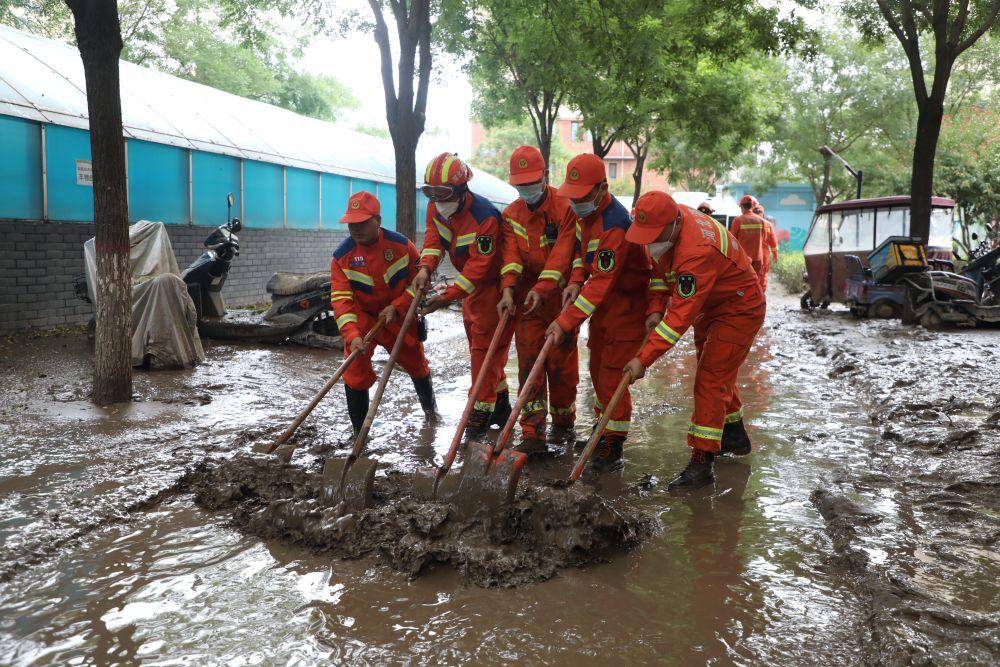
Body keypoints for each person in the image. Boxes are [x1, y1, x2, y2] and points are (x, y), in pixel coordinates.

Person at [622, 191, 765, 490]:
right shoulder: (669, 226)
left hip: (739, 307)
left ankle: (702, 463)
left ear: (673, 224)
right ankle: (734, 435)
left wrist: (642, 360)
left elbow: (677, 322)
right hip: (712, 303)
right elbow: (661, 275)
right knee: (717, 371)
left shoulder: (696, 250)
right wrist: (653, 310)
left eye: (653, 236)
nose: (650, 243)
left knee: (711, 378)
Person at [544, 153, 652, 472]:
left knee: (611, 376)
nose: (575, 201)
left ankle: (612, 447)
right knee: (597, 368)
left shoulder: (615, 225)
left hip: (628, 306)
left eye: (581, 195)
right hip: (607, 305)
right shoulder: (585, 218)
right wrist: (576, 280)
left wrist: (564, 322)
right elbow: (582, 257)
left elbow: (601, 284)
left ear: (601, 189)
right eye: (572, 195)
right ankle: (603, 430)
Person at [414, 152, 514, 435]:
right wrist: (425, 268)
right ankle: (502, 406)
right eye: (429, 193)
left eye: (442, 192)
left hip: (493, 291)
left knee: (483, 355)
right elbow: (434, 241)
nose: (436, 200)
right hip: (471, 293)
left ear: (460, 189)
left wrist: (447, 296)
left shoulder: (485, 218)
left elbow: (479, 269)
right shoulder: (437, 209)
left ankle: (478, 419)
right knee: (484, 354)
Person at [330, 190, 436, 435]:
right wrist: (352, 335)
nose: (354, 228)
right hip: (364, 318)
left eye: (361, 222)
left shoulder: (401, 246)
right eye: (351, 223)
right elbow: (341, 301)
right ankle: (359, 434)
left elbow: (420, 284)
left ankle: (431, 413)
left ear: (377, 221)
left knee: (417, 365)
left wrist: (398, 307)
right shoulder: (341, 258)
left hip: (398, 316)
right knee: (354, 369)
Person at [497, 146, 579, 453]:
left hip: (561, 299)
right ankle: (532, 433)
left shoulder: (566, 206)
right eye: (521, 185)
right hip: (528, 302)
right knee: (529, 365)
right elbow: (511, 257)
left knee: (562, 369)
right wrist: (507, 290)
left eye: (532, 182)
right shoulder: (511, 215)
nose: (526, 189)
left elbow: (563, 255)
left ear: (545, 176)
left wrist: (545, 288)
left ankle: (563, 426)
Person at [730, 195, 766, 281]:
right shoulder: (761, 220)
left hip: (743, 258)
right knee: (755, 282)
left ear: (742, 206)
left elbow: (732, 240)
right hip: (758, 259)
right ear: (752, 206)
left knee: (743, 282)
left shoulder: (738, 220)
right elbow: (764, 238)